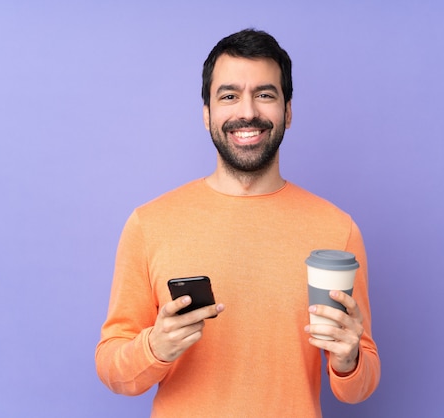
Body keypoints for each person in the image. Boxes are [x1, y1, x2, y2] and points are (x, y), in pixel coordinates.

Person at [95, 28, 380, 417]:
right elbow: (113, 369)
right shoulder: (149, 224)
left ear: (288, 111)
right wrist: (155, 348)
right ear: (207, 113)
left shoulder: (338, 230)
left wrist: (349, 360)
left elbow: (359, 387)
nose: (247, 112)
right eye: (229, 96)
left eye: (265, 94)